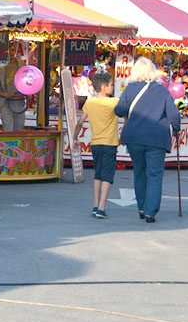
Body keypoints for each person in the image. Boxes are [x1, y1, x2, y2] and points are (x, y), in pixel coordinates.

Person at [114, 57, 181, 223]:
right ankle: (151, 211)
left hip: (134, 138)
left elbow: (119, 110)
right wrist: (177, 129)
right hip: (156, 139)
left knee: (139, 172)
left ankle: (142, 207)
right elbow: (173, 115)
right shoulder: (163, 91)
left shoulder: (130, 89)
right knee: (155, 175)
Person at [75, 72, 119, 219]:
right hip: (110, 143)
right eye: (111, 85)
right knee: (107, 176)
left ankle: (95, 205)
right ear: (104, 87)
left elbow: (80, 122)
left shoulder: (90, 103)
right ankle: (101, 208)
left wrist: (75, 138)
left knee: (98, 174)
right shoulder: (114, 102)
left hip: (95, 143)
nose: (112, 87)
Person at [0, 44, 27, 131]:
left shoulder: (22, 67)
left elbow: (28, 83)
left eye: (12, 50)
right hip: (5, 102)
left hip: (19, 101)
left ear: (15, 51)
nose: (11, 53)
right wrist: (5, 94)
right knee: (8, 128)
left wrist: (28, 93)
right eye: (8, 50)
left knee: (19, 128)